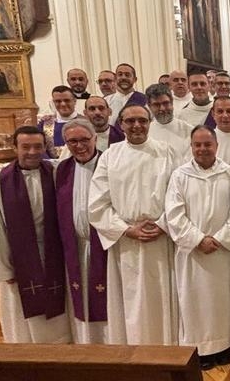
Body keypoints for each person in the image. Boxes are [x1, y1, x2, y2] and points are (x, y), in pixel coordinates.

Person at [88, 104, 178, 345]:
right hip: (126, 240)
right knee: (130, 301)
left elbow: (179, 195)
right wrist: (126, 229)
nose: (137, 125)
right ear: (121, 124)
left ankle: (168, 349)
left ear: (150, 123)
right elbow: (97, 203)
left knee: (162, 298)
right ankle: (134, 351)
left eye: (142, 120)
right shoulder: (110, 155)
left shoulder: (167, 152)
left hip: (160, 237)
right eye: (130, 121)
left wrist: (163, 224)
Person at [0, 126, 72, 344]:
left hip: (54, 253)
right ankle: (27, 350)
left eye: (38, 147)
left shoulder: (55, 172)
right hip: (19, 259)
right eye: (26, 147)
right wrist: (4, 268)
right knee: (22, 310)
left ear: (45, 148)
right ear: (15, 148)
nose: (32, 152)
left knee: (59, 311)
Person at [166, 125, 230, 370]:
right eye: (197, 145)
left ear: (216, 146)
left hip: (221, 251)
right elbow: (174, 214)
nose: (202, 149)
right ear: (191, 147)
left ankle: (225, 346)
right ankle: (201, 350)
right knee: (195, 300)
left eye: (207, 144)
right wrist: (198, 239)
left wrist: (220, 238)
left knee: (223, 300)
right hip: (194, 254)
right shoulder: (180, 175)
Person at [55, 118, 114, 344]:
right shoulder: (62, 170)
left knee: (107, 297)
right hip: (77, 246)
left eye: (84, 140)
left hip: (104, 244)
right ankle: (86, 343)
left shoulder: (108, 165)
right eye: (72, 141)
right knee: (80, 296)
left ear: (95, 138)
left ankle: (111, 342)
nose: (79, 146)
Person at [145, 83, 193, 163]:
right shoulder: (145, 132)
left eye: (165, 103)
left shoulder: (189, 130)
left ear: (172, 102)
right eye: (156, 105)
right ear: (149, 106)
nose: (162, 108)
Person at [39, 85, 82, 158]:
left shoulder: (86, 122)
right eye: (58, 101)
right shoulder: (44, 123)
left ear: (74, 101)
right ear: (53, 102)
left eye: (67, 100)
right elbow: (39, 148)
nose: (63, 104)